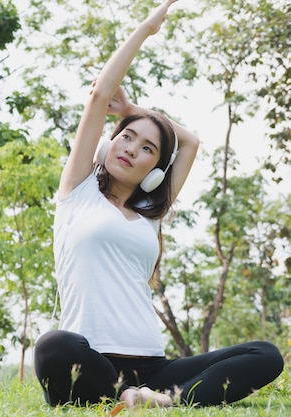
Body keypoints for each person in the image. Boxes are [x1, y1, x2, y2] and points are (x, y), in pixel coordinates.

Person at [33, 0, 284, 409]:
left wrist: (134, 111)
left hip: (152, 368)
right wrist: (146, 30)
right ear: (108, 144)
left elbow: (190, 142)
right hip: (90, 360)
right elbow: (99, 95)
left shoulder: (151, 213)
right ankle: (121, 396)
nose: (132, 148)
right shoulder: (77, 193)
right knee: (53, 346)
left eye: (148, 147)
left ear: (156, 171)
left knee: (265, 355)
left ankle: (161, 400)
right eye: (127, 136)